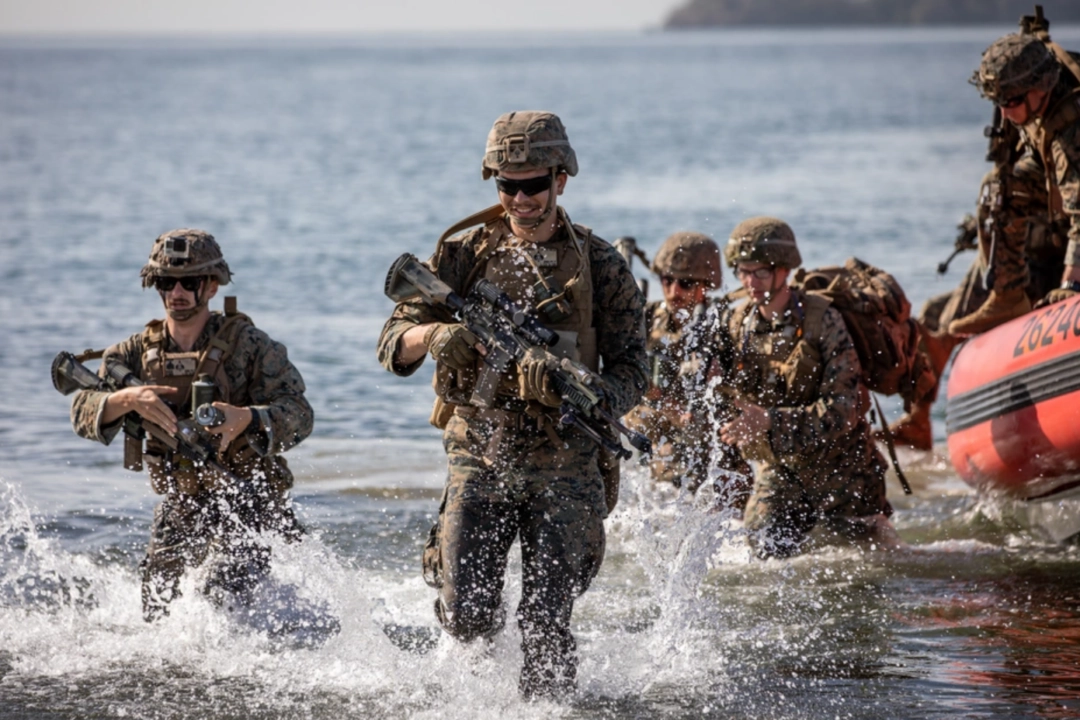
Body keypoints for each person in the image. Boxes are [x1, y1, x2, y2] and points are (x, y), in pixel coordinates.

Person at [376, 111, 647, 697]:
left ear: (561, 179)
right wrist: (436, 336)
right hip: (480, 453)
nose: (521, 200)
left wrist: (589, 391)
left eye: (534, 185)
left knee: (546, 625)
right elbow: (392, 343)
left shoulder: (601, 267)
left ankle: (549, 706)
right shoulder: (462, 256)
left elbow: (635, 369)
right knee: (466, 614)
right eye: (507, 185)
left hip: (567, 461)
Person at [69, 229, 313, 621]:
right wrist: (128, 399)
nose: (177, 292)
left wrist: (247, 418)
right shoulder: (133, 354)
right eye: (166, 283)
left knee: (228, 599)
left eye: (189, 282)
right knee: (155, 611)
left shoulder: (249, 345)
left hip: (249, 499)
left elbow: (300, 414)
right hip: (182, 503)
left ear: (212, 285)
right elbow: (82, 410)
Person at [713, 217, 896, 559]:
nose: (750, 282)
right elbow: (722, 397)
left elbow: (842, 412)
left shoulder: (823, 321)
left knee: (866, 565)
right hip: (783, 471)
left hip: (845, 471)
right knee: (760, 555)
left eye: (760, 272)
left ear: (784, 270)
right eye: (742, 271)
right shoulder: (738, 324)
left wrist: (769, 421)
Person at [963, 24, 1080, 329]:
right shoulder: (1040, 98)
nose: (1004, 113)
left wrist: (1071, 285)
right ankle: (1009, 295)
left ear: (1040, 87)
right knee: (999, 188)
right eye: (998, 103)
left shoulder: (1071, 131)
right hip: (1055, 181)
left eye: (1010, 102)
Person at [623, 231, 752, 507]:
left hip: (712, 447)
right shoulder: (649, 317)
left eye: (685, 283)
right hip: (661, 444)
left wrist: (721, 378)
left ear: (706, 285)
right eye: (667, 280)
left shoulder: (724, 326)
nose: (674, 291)